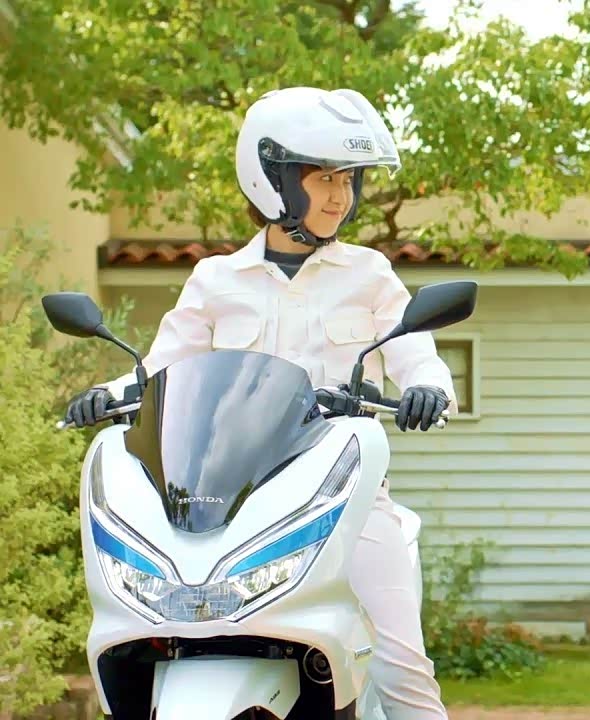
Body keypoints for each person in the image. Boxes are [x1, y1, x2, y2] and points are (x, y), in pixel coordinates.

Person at [64, 86, 454, 720]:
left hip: (345, 501)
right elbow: (160, 368)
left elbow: (417, 356)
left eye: (349, 180)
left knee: (401, 661)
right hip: (229, 504)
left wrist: (428, 390)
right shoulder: (217, 280)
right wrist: (104, 397)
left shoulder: (370, 275)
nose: (340, 196)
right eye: (323, 177)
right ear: (273, 180)